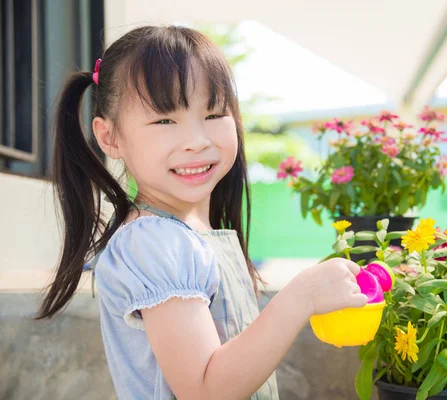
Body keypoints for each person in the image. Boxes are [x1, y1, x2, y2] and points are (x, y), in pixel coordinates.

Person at [36, 25, 367, 400]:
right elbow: (206, 390)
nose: (197, 141)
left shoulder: (187, 233)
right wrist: (301, 297)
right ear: (110, 137)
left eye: (213, 114)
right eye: (164, 121)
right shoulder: (155, 242)